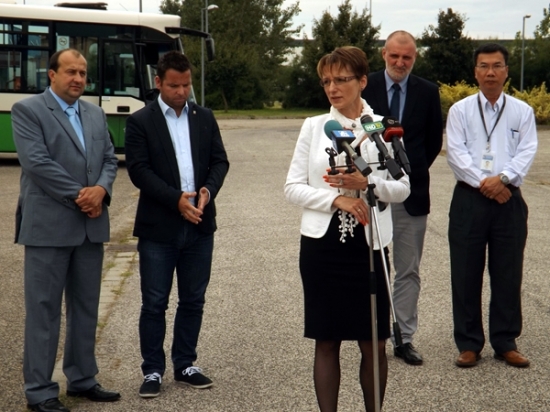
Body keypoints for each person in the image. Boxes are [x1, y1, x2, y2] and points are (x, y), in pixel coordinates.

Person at [285, 46, 410, 412]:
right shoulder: (314, 127)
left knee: (374, 342)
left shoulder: (383, 126)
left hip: (369, 246)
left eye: (341, 79)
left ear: (362, 81)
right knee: (326, 340)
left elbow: (404, 187)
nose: (332, 88)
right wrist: (336, 199)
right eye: (326, 81)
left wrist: (368, 184)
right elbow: (292, 187)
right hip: (323, 248)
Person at [12, 48, 120, 412]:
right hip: (48, 228)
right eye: (71, 72)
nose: (78, 79)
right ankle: (40, 391)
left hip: (90, 227)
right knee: (44, 312)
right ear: (52, 74)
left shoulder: (95, 113)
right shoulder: (28, 111)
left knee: (86, 307)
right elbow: (37, 163)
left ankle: (82, 378)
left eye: (83, 73)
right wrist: (82, 196)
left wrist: (101, 189)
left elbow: (109, 159)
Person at [125, 51, 229, 399]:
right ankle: (152, 370)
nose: (182, 92)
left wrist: (208, 190)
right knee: (155, 302)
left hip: (200, 225)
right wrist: (176, 201)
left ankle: (185, 364)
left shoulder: (204, 117)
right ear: (158, 82)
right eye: (174, 86)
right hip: (159, 228)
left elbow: (220, 161)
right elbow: (139, 171)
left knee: (193, 300)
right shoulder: (140, 121)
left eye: (186, 85)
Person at [446, 43, 537, 368]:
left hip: (509, 199)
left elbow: (527, 150)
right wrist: (486, 183)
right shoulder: (460, 111)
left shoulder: (521, 111)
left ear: (506, 71)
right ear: (475, 72)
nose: (490, 72)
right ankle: (469, 343)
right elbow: (456, 154)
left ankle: (505, 341)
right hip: (469, 199)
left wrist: (504, 179)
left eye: (497, 66)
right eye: (484, 66)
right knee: (465, 272)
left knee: (508, 272)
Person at [361, 30, 443, 365]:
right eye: (394, 56)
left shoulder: (428, 92)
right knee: (370, 267)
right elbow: (359, 128)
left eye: (406, 57)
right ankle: (372, 334)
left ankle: (403, 338)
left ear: (414, 58)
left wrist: (409, 172)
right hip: (372, 192)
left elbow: (433, 141)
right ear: (384, 54)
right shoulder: (366, 86)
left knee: (408, 270)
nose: (400, 62)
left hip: (413, 194)